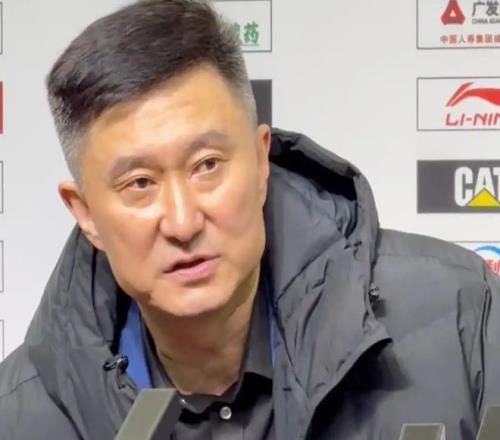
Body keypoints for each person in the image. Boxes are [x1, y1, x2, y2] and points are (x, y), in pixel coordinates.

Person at [1, 1, 500, 439]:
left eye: (206, 166)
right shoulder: (20, 416)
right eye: (140, 183)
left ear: (261, 160)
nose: (182, 223)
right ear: (85, 213)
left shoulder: (460, 313)